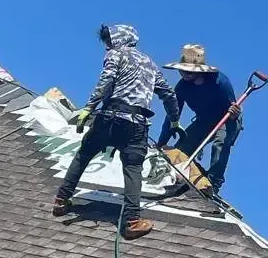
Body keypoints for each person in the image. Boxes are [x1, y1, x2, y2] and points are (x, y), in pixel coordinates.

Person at [52, 23, 180, 240]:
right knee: (132, 169)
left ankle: (61, 201)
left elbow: (107, 80)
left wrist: (89, 107)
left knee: (84, 154)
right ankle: (132, 221)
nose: (107, 47)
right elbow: (168, 93)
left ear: (118, 40)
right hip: (136, 124)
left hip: (110, 117)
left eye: (109, 42)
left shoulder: (116, 54)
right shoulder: (149, 63)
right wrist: (175, 120)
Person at [158, 44, 242, 199]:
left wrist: (234, 113)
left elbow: (233, 108)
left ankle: (213, 184)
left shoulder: (220, 82)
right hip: (204, 119)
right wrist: (160, 143)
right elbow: (172, 116)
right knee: (181, 150)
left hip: (227, 118)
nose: (185, 74)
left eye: (189, 71)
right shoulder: (182, 87)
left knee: (220, 145)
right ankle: (190, 176)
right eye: (182, 70)